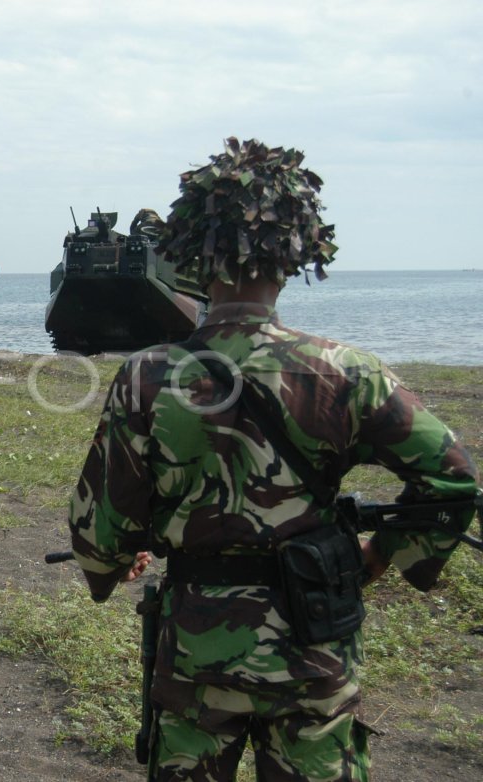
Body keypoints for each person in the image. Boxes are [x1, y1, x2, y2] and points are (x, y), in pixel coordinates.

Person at [67, 137, 479, 781]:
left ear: (193, 259)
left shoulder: (148, 377)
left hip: (198, 653)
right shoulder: (347, 372)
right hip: (315, 648)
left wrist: (106, 569)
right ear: (295, 256)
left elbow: (100, 525)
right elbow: (451, 481)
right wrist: (377, 561)